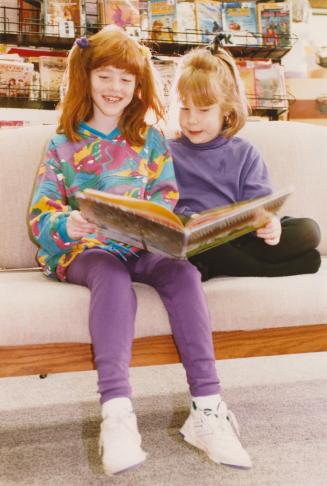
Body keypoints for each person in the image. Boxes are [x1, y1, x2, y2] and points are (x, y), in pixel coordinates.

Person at [28, 27, 252, 476]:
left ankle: (207, 410)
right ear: (85, 78)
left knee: (184, 272)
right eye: (105, 76)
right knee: (111, 277)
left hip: (140, 246)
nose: (115, 88)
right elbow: (40, 217)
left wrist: (159, 225)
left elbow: (165, 197)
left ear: (139, 85)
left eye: (126, 79)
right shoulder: (62, 144)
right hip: (88, 252)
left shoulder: (149, 141)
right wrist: (67, 223)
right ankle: (116, 414)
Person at [167, 44, 321, 282]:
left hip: (239, 237)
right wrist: (196, 220)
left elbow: (261, 207)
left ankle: (219, 266)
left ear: (226, 112)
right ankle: (265, 269)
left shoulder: (244, 152)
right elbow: (164, 208)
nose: (192, 119)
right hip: (197, 239)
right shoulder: (168, 152)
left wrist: (271, 223)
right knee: (186, 234)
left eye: (204, 109)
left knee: (309, 231)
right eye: (184, 108)